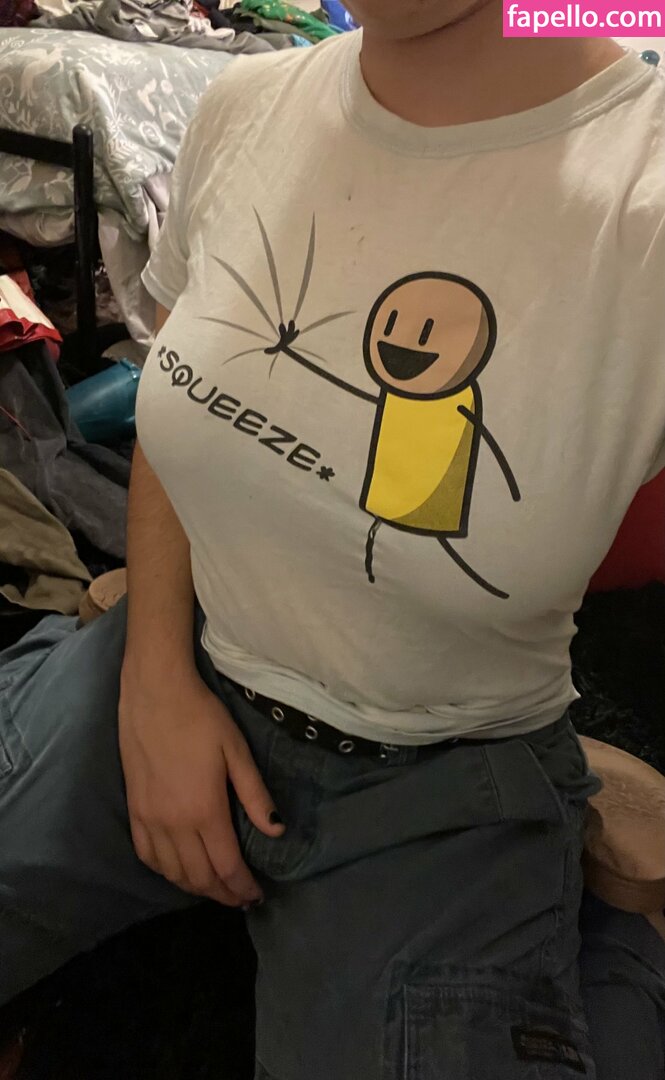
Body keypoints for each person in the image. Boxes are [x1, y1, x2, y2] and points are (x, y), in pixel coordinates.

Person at [1, 2, 665, 1077]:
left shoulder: (641, 193)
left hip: (440, 774)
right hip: (174, 656)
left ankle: (618, 945)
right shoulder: (246, 106)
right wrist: (155, 680)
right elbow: (180, 413)